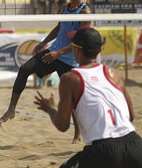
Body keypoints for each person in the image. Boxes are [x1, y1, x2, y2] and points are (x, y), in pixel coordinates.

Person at [34, 27, 142, 168]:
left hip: (105, 150)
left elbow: (63, 125)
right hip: (136, 145)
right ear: (99, 50)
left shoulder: (70, 79)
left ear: (77, 51)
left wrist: (50, 109)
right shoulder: (116, 75)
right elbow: (131, 117)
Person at [0, 0, 91, 132]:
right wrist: (43, 43)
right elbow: (58, 28)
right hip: (53, 53)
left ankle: (78, 133)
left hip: (69, 60)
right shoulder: (64, 8)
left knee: (72, 98)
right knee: (25, 68)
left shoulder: (85, 12)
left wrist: (59, 53)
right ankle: (11, 109)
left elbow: (80, 42)